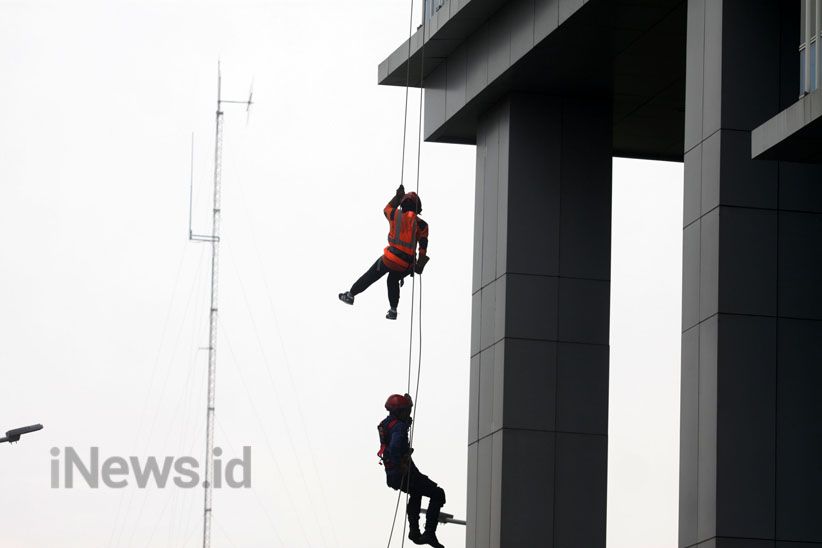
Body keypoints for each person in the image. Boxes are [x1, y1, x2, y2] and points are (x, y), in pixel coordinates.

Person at [338, 184, 429, 320]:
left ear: (403, 203)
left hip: (390, 258)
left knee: (373, 273)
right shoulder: (422, 224)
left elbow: (386, 209)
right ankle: (393, 310)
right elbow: (423, 246)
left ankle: (351, 294)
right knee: (392, 279)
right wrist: (420, 265)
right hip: (407, 265)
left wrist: (397, 197)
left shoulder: (394, 214)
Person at [378, 393, 446, 548]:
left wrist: (407, 405)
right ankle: (428, 532)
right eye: (406, 411)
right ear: (399, 412)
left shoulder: (387, 423)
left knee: (416, 491)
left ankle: (415, 532)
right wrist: (400, 463)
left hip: (393, 474)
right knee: (437, 493)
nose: (408, 414)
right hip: (403, 471)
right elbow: (395, 446)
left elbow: (393, 438)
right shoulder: (399, 426)